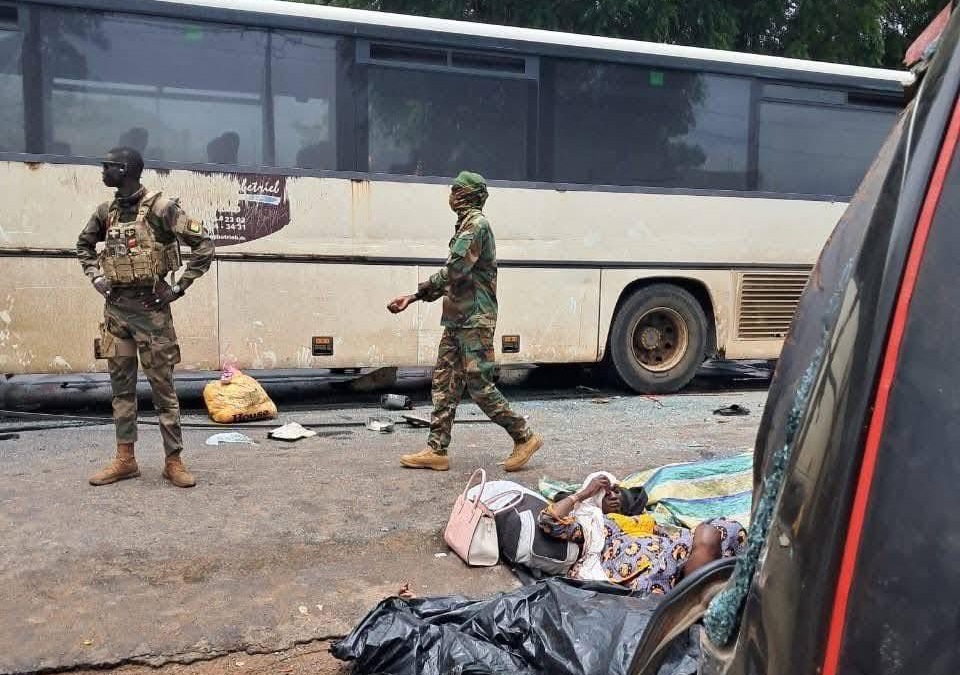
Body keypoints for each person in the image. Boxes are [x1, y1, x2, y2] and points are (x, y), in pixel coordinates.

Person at [76, 147, 215, 488]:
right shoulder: (105, 211)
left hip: (152, 315)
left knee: (163, 390)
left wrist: (178, 287)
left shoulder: (162, 209)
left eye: (108, 167)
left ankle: (174, 461)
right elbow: (83, 245)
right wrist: (96, 277)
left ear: (124, 170)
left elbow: (204, 245)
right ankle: (125, 459)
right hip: (117, 313)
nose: (102, 172)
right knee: (121, 391)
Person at [387, 170, 542, 472]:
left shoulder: (476, 226)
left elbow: (454, 270)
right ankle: (436, 450)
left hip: (475, 321)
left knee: (479, 386)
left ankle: (525, 436)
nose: (450, 195)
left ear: (465, 196)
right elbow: (455, 277)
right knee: (444, 383)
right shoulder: (466, 225)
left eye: (455, 190)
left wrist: (414, 295)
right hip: (457, 319)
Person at [539, 472, 746, 596]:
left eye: (616, 491)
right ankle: (695, 603)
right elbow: (548, 520)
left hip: (676, 552)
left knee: (727, 527)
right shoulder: (594, 524)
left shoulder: (645, 518)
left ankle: (702, 594)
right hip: (648, 568)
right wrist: (584, 494)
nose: (613, 496)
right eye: (604, 493)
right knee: (708, 535)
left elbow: (673, 537)